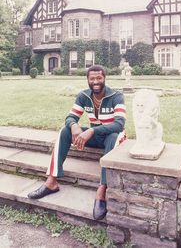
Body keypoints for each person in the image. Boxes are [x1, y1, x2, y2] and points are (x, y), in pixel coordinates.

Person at [28, 65, 126, 220]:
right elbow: (70, 117)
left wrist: (92, 131)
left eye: (99, 78)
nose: (95, 81)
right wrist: (74, 126)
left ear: (104, 78)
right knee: (64, 130)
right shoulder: (83, 96)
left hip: (112, 137)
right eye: (92, 78)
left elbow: (119, 124)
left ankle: (102, 189)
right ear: (87, 80)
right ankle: (51, 181)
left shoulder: (116, 96)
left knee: (114, 136)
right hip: (95, 135)